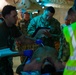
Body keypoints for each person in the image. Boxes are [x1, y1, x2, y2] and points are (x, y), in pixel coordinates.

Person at [0, 5, 35, 75]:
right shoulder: (1, 30)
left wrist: (35, 40)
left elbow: (23, 39)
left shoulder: (12, 27)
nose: (17, 18)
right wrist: (22, 53)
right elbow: (4, 52)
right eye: (14, 16)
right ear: (6, 16)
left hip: (7, 63)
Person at [63, 7, 76, 75]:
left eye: (69, 16)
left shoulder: (68, 29)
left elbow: (65, 50)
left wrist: (63, 60)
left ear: (73, 15)